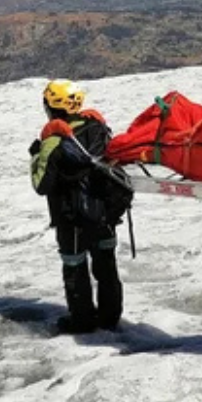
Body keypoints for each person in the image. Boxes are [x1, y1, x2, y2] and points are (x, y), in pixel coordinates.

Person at [29, 79, 124, 334]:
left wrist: (36, 155)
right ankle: (110, 318)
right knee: (106, 265)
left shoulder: (53, 140)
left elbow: (41, 185)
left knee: (75, 267)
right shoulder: (99, 128)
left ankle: (82, 321)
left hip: (71, 218)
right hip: (104, 214)